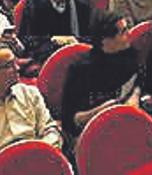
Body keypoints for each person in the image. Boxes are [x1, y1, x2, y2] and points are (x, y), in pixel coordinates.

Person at [0, 46, 62, 168]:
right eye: (9, 65)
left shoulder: (30, 93)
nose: (17, 68)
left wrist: (38, 156)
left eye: (16, 62)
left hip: (42, 161)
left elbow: (50, 130)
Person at [60, 10, 141, 139]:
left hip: (126, 123)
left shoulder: (129, 54)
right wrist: (99, 112)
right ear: (105, 41)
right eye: (123, 32)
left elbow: (138, 81)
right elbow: (69, 122)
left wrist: (135, 96)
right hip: (92, 134)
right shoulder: (80, 70)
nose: (129, 34)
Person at [15, 0, 92, 64]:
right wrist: (54, 41)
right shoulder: (34, 4)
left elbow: (94, 34)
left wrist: (75, 40)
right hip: (48, 60)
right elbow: (28, 41)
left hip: (80, 56)